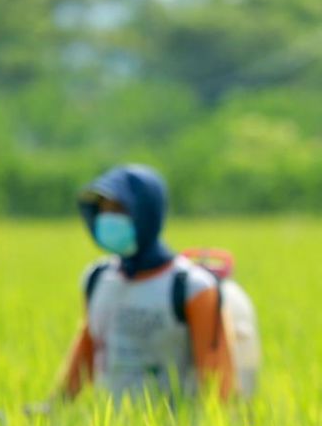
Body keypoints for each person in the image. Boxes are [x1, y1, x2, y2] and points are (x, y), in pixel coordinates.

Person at [54, 164, 257, 404]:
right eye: (103, 209)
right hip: (110, 424)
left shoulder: (191, 288)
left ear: (146, 213)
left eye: (119, 209)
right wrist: (55, 409)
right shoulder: (97, 278)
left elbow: (217, 381)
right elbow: (87, 349)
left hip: (175, 424)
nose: (108, 217)